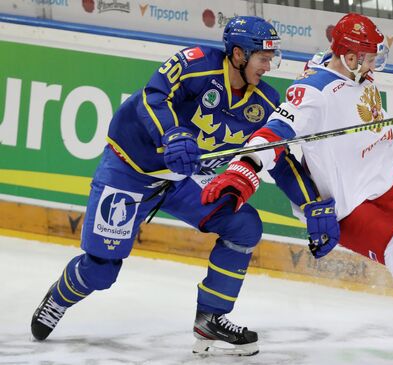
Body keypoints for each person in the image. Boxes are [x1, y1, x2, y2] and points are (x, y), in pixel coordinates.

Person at [202, 13, 393, 360]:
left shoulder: (349, 65)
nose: (376, 63)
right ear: (350, 57)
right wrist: (243, 172)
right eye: (371, 56)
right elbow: (272, 135)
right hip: (348, 203)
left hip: (388, 180)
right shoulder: (311, 94)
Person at [30, 16, 312, 356]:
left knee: (243, 225)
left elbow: (276, 156)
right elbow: (154, 95)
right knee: (101, 271)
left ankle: (211, 317)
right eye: (263, 58)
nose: (269, 66)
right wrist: (171, 133)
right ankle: (58, 297)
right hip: (130, 170)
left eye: (272, 58)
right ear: (239, 53)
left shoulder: (264, 102)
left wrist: (310, 203)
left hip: (184, 180)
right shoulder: (195, 64)